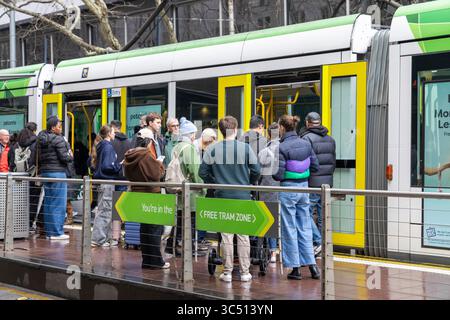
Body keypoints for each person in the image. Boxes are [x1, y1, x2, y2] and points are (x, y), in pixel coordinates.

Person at [199, 116, 260, 283]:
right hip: (242, 196)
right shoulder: (246, 148)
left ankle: (227, 272)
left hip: (222, 197)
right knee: (243, 235)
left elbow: (202, 173)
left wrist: (215, 182)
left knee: (226, 235)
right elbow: (256, 170)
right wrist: (248, 182)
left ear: (220, 130)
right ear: (236, 128)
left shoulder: (212, 149)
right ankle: (245, 272)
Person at [273, 115, 320, 280]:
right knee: (305, 226)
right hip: (304, 189)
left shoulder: (282, 147)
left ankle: (296, 269)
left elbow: (278, 175)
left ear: (282, 128)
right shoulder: (306, 143)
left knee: (289, 228)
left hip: (288, 190)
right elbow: (315, 166)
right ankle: (313, 266)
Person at [123, 129, 168, 269]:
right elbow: (156, 175)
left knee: (144, 228)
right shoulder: (146, 155)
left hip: (138, 195)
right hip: (151, 195)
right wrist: (160, 165)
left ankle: (146, 260)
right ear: (148, 142)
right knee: (155, 228)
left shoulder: (130, 155)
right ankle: (156, 262)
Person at [299, 112, 336, 257]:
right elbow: (333, 162)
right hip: (327, 184)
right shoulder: (331, 139)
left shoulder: (306, 138)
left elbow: (306, 162)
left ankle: (318, 242)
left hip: (312, 183)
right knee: (323, 217)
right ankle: (323, 249)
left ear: (308, 123)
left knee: (305, 213)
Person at [170, 117, 206, 256]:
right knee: (190, 222)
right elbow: (195, 171)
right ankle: (188, 250)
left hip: (179, 190)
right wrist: (202, 187)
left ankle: (173, 246)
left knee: (180, 220)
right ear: (190, 134)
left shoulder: (177, 146)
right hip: (190, 192)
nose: (194, 136)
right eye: (193, 133)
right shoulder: (189, 148)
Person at [37, 116, 74, 240]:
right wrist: (71, 155)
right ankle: (57, 233)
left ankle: (49, 232)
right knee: (59, 204)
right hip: (57, 173)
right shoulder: (58, 139)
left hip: (46, 173)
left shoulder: (42, 138)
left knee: (48, 203)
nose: (61, 128)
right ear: (53, 128)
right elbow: (65, 158)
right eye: (59, 126)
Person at [91, 125, 123, 247]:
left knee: (103, 209)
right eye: (114, 132)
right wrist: (119, 165)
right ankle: (98, 239)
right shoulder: (108, 147)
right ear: (109, 134)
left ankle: (102, 238)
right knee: (105, 210)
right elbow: (107, 166)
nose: (115, 134)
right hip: (107, 182)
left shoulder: (100, 146)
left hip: (102, 182)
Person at [258, 122, 280, 263]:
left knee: (270, 220)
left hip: (268, 189)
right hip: (285, 188)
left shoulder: (264, 151)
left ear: (268, 134)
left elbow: (258, 172)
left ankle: (272, 252)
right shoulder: (286, 147)